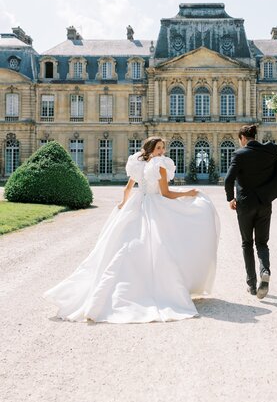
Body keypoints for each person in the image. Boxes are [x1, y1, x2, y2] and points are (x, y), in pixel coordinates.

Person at [43, 137, 220, 323]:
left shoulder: (138, 163)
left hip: (137, 203)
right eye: (159, 148)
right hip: (154, 205)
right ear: (151, 149)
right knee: (159, 245)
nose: (162, 151)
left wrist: (123, 204)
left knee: (125, 245)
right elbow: (166, 194)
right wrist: (188, 193)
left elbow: (128, 189)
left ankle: (115, 292)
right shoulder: (160, 165)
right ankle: (151, 287)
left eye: (163, 148)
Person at [224, 117, 277, 299]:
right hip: (264, 204)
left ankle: (251, 284)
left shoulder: (239, 154)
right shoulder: (269, 150)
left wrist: (230, 199)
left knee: (246, 243)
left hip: (245, 204)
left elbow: (228, 180)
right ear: (255, 136)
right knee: (262, 243)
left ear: (243, 137)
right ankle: (265, 270)